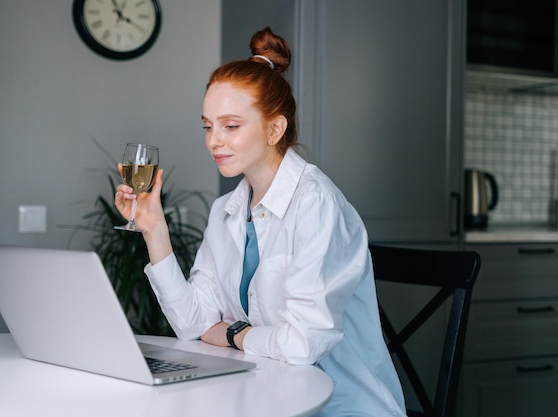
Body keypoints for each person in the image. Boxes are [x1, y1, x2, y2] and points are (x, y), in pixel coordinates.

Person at [114, 26, 406, 417]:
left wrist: (231, 333)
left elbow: (303, 344)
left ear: (275, 128)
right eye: (208, 125)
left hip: (339, 406)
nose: (213, 141)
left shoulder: (317, 204)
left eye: (230, 126)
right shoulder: (227, 211)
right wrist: (154, 228)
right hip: (264, 397)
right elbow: (193, 323)